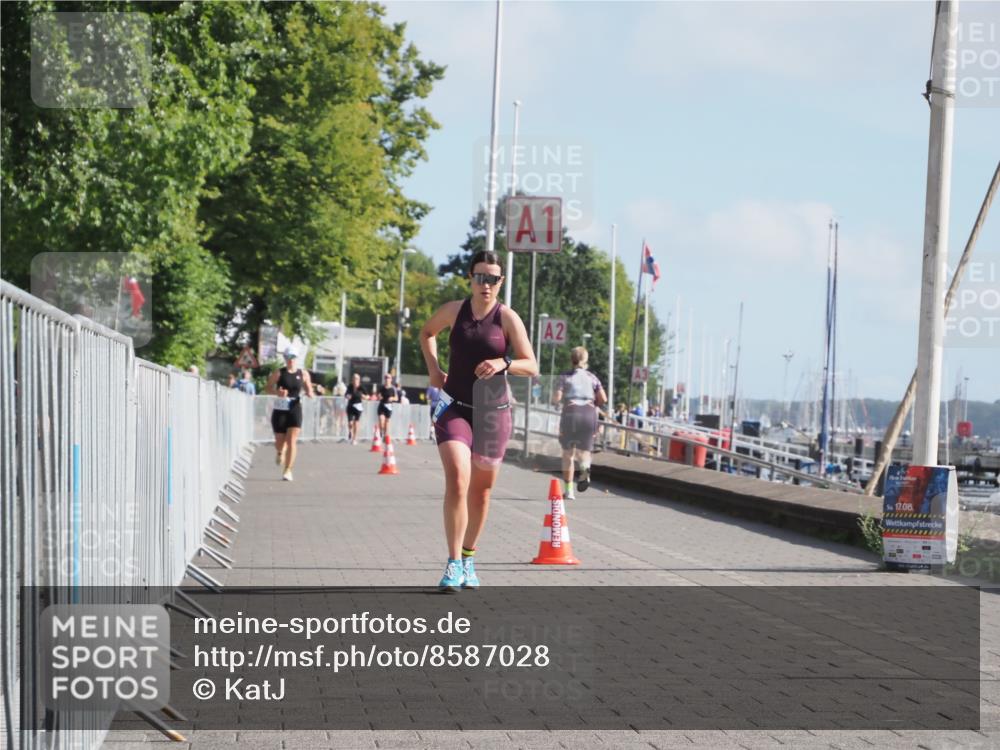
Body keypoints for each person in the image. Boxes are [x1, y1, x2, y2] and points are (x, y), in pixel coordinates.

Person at [420, 250, 537, 592]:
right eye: (480, 277)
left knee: (481, 493)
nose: (486, 284)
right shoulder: (454, 311)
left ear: (501, 282)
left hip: (492, 414)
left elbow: (531, 365)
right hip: (455, 406)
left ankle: (469, 558)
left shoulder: (508, 318)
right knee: (458, 478)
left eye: (493, 279)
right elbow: (427, 332)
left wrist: (505, 363)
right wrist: (433, 369)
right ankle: (453, 563)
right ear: (470, 278)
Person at [552, 347, 607, 500]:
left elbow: (557, 397)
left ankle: (569, 491)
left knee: (568, 454)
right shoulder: (592, 377)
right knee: (585, 452)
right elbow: (603, 398)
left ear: (572, 359)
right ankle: (584, 469)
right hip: (589, 414)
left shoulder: (564, 377)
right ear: (586, 360)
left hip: (571, 413)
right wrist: (594, 404)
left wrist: (556, 402)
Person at [266, 349, 313, 481]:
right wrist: (277, 392)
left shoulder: (303, 373)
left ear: (296, 358)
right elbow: (268, 387)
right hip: (280, 408)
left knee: (292, 440)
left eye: (292, 357)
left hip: (295, 407)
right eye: (288, 357)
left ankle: (287, 470)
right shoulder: (279, 373)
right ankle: (280, 451)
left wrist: (310, 393)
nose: (290, 359)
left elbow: (309, 389)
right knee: (279, 442)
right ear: (285, 358)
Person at [344, 372, 366, 445]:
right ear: (352, 380)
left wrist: (364, 396)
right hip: (350, 406)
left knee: (356, 423)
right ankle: (350, 431)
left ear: (359, 380)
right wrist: (347, 396)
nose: (355, 380)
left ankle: (354, 438)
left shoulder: (361, 387)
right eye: (354, 378)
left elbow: (368, 396)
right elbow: (346, 394)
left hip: (358, 407)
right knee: (350, 423)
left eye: (356, 379)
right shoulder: (350, 386)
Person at [377, 372, 399, 437]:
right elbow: (378, 395)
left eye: (388, 378)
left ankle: (386, 435)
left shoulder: (393, 388)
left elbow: (397, 398)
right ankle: (381, 432)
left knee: (387, 422)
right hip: (382, 405)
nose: (387, 379)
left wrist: (392, 398)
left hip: (389, 407)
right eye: (386, 378)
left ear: (391, 379)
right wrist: (379, 397)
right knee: (381, 421)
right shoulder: (381, 387)